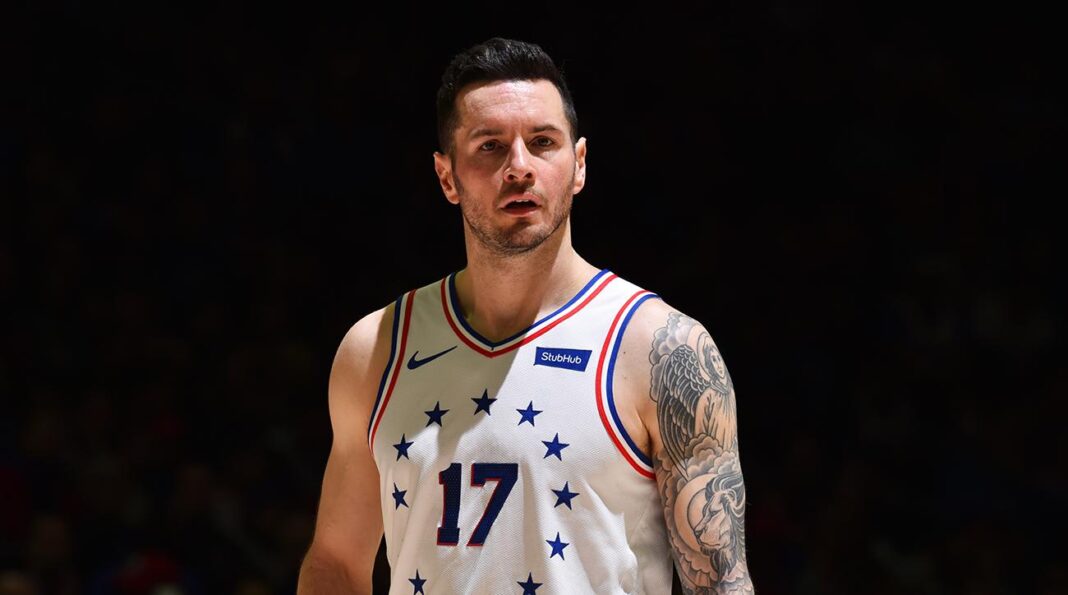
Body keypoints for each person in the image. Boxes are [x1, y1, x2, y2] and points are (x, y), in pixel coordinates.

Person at [297, 37, 754, 594]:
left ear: (578, 164)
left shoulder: (662, 348)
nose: (519, 167)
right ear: (447, 177)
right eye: (490, 146)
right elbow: (335, 564)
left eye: (542, 143)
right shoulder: (376, 349)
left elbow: (722, 584)